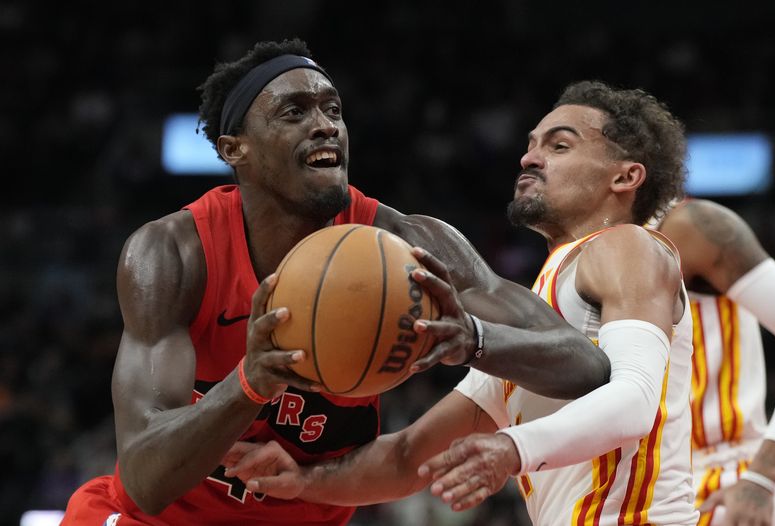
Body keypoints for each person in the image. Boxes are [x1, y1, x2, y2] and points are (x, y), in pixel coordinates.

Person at [60, 39, 611, 525]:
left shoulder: (409, 247)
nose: (325, 124)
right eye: (294, 111)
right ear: (235, 149)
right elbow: (144, 481)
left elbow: (586, 366)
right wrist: (249, 382)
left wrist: (473, 338)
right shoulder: (173, 254)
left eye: (333, 109)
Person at [223, 81, 699, 525]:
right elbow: (409, 456)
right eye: (531, 144)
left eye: (559, 145)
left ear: (626, 176)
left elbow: (635, 401)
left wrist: (512, 448)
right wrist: (302, 479)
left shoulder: (628, 246)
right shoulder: (544, 306)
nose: (529, 158)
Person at [649, 199, 775, 525]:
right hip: (659, 488)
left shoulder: (685, 226)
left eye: (559, 145)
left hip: (728, 481)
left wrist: (762, 476)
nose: (531, 158)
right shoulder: (589, 252)